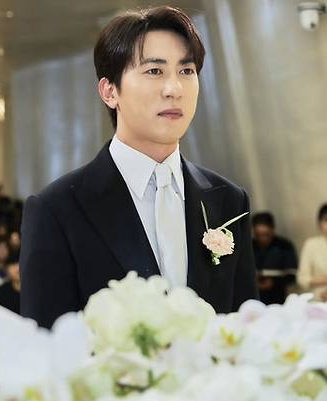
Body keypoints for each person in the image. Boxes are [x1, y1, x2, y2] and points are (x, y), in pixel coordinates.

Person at [20, 6, 258, 328]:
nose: (174, 89)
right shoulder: (57, 210)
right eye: (154, 71)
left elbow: (245, 329)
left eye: (186, 71)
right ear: (110, 91)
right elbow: (46, 341)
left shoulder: (228, 200)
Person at [252, 212, 297, 305]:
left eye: (266, 235)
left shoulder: (284, 246)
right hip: (254, 298)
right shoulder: (249, 247)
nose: (262, 239)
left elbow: (292, 274)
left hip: (278, 298)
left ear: (272, 230)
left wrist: (274, 282)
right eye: (258, 235)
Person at [297, 203, 327, 301]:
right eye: (326, 220)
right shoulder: (311, 244)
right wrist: (323, 280)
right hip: (317, 299)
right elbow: (302, 279)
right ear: (319, 223)